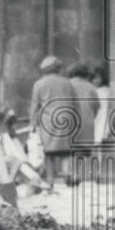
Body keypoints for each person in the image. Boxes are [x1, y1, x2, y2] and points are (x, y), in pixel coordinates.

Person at [29, 55, 79, 189]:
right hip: (66, 117)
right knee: (66, 149)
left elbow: (35, 105)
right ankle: (69, 174)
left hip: (48, 119)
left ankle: (50, 180)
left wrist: (33, 124)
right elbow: (75, 103)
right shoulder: (68, 83)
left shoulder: (39, 84)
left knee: (49, 151)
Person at [67, 62, 99, 148]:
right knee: (84, 155)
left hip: (69, 127)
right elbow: (96, 107)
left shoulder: (66, 85)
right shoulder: (91, 87)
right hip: (87, 127)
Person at [91, 64, 110, 144]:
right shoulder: (94, 90)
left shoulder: (106, 90)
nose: (95, 81)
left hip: (103, 116)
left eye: (97, 78)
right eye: (93, 79)